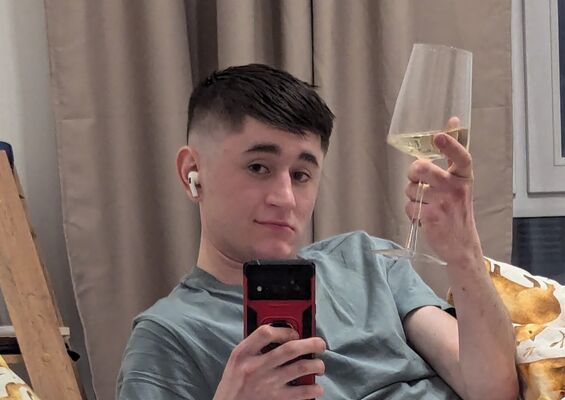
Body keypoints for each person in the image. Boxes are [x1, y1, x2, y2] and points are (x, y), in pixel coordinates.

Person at [116, 64, 518, 400]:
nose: (286, 198)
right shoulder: (168, 336)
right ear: (192, 172)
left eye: (301, 174)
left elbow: (491, 389)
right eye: (258, 167)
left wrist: (463, 251)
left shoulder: (368, 261)